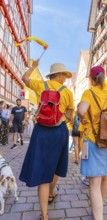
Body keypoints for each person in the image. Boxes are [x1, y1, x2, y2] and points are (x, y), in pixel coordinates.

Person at [19, 60, 74, 220]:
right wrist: (63, 116)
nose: (65, 78)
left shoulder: (40, 85)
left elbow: (24, 78)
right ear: (60, 75)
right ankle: (51, 192)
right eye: (64, 75)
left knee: (42, 171)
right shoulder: (68, 92)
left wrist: (33, 66)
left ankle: (44, 215)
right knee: (57, 164)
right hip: (59, 131)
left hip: (41, 130)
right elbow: (70, 116)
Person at [78, 65, 107, 220]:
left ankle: (98, 216)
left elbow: (82, 110)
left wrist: (81, 112)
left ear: (91, 79)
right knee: (104, 177)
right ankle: (99, 209)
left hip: (93, 139)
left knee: (94, 182)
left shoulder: (88, 92)